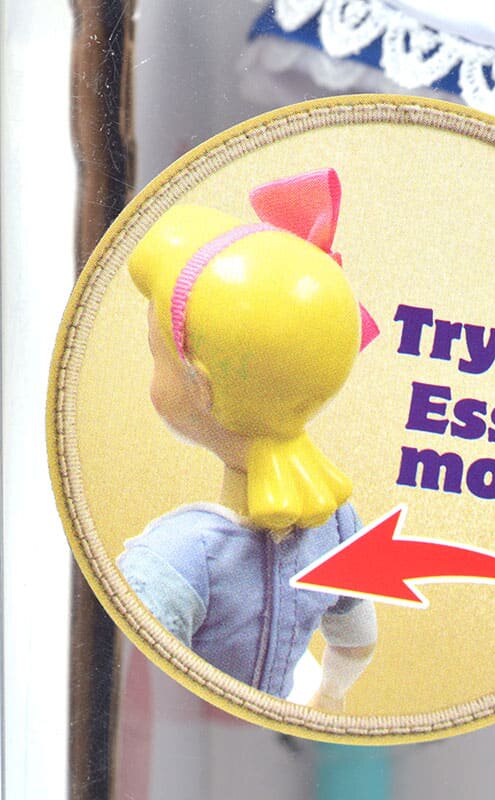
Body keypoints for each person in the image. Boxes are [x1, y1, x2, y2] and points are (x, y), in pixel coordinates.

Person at [117, 169, 378, 711]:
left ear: (199, 385)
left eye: (154, 352)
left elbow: (132, 697)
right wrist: (329, 696)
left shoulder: (176, 558)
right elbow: (357, 641)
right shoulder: (337, 525)